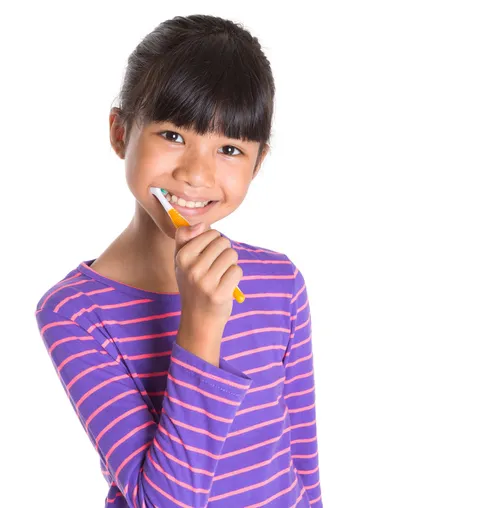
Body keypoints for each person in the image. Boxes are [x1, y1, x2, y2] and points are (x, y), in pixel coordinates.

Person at [34, 14, 322, 508]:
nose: (195, 173)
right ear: (120, 132)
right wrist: (202, 323)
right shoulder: (74, 313)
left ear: (258, 163)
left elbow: (302, 467)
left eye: (229, 148)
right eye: (172, 135)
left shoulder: (280, 283)